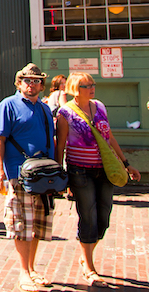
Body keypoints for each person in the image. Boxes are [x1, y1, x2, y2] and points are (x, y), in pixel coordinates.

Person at [55, 72, 141, 287]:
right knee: (88, 216)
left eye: (93, 84)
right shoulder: (65, 113)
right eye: (86, 85)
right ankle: (89, 267)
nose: (92, 88)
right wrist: (60, 175)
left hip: (104, 169)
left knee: (103, 217)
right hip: (80, 171)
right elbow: (61, 145)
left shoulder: (100, 106)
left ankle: (86, 254)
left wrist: (126, 162)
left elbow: (108, 136)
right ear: (76, 88)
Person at [0, 63, 55, 292]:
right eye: (27, 80)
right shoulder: (8, 105)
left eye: (36, 80)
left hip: (45, 174)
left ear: (41, 84)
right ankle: (23, 272)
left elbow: (52, 140)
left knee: (37, 223)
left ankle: (32, 268)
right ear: (19, 83)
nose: (32, 84)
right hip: (20, 174)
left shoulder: (45, 109)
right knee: (22, 225)